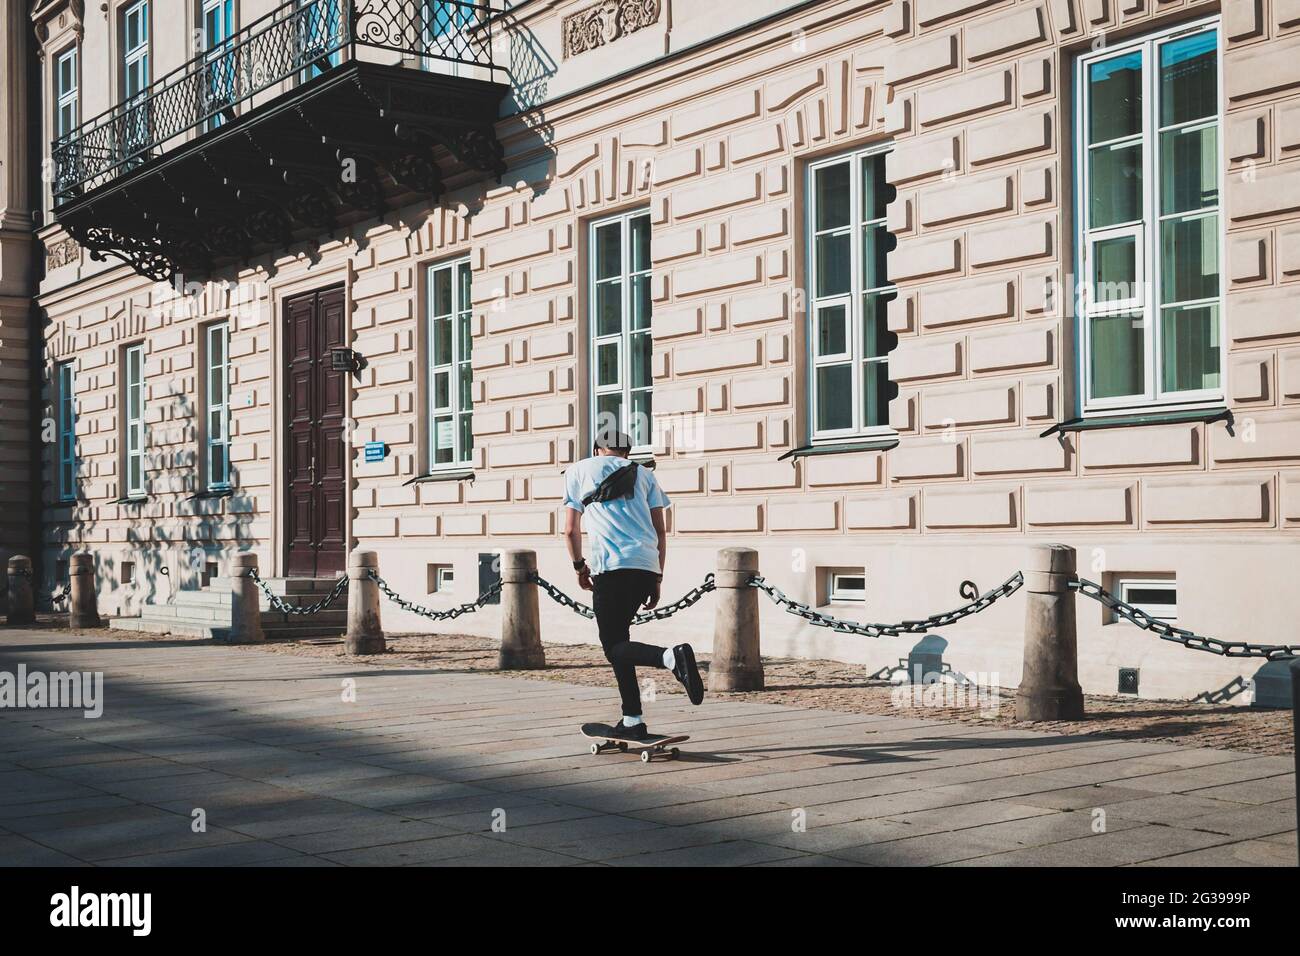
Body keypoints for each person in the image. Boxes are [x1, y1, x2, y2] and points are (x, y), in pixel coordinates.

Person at [563, 428, 704, 740]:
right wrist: (657, 577)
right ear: (627, 452)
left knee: (613, 647)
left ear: (597, 449)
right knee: (621, 645)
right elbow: (660, 531)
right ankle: (632, 719)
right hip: (645, 566)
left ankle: (670, 657)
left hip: (611, 568)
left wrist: (579, 566)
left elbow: (570, 530)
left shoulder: (578, 470)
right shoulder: (645, 475)